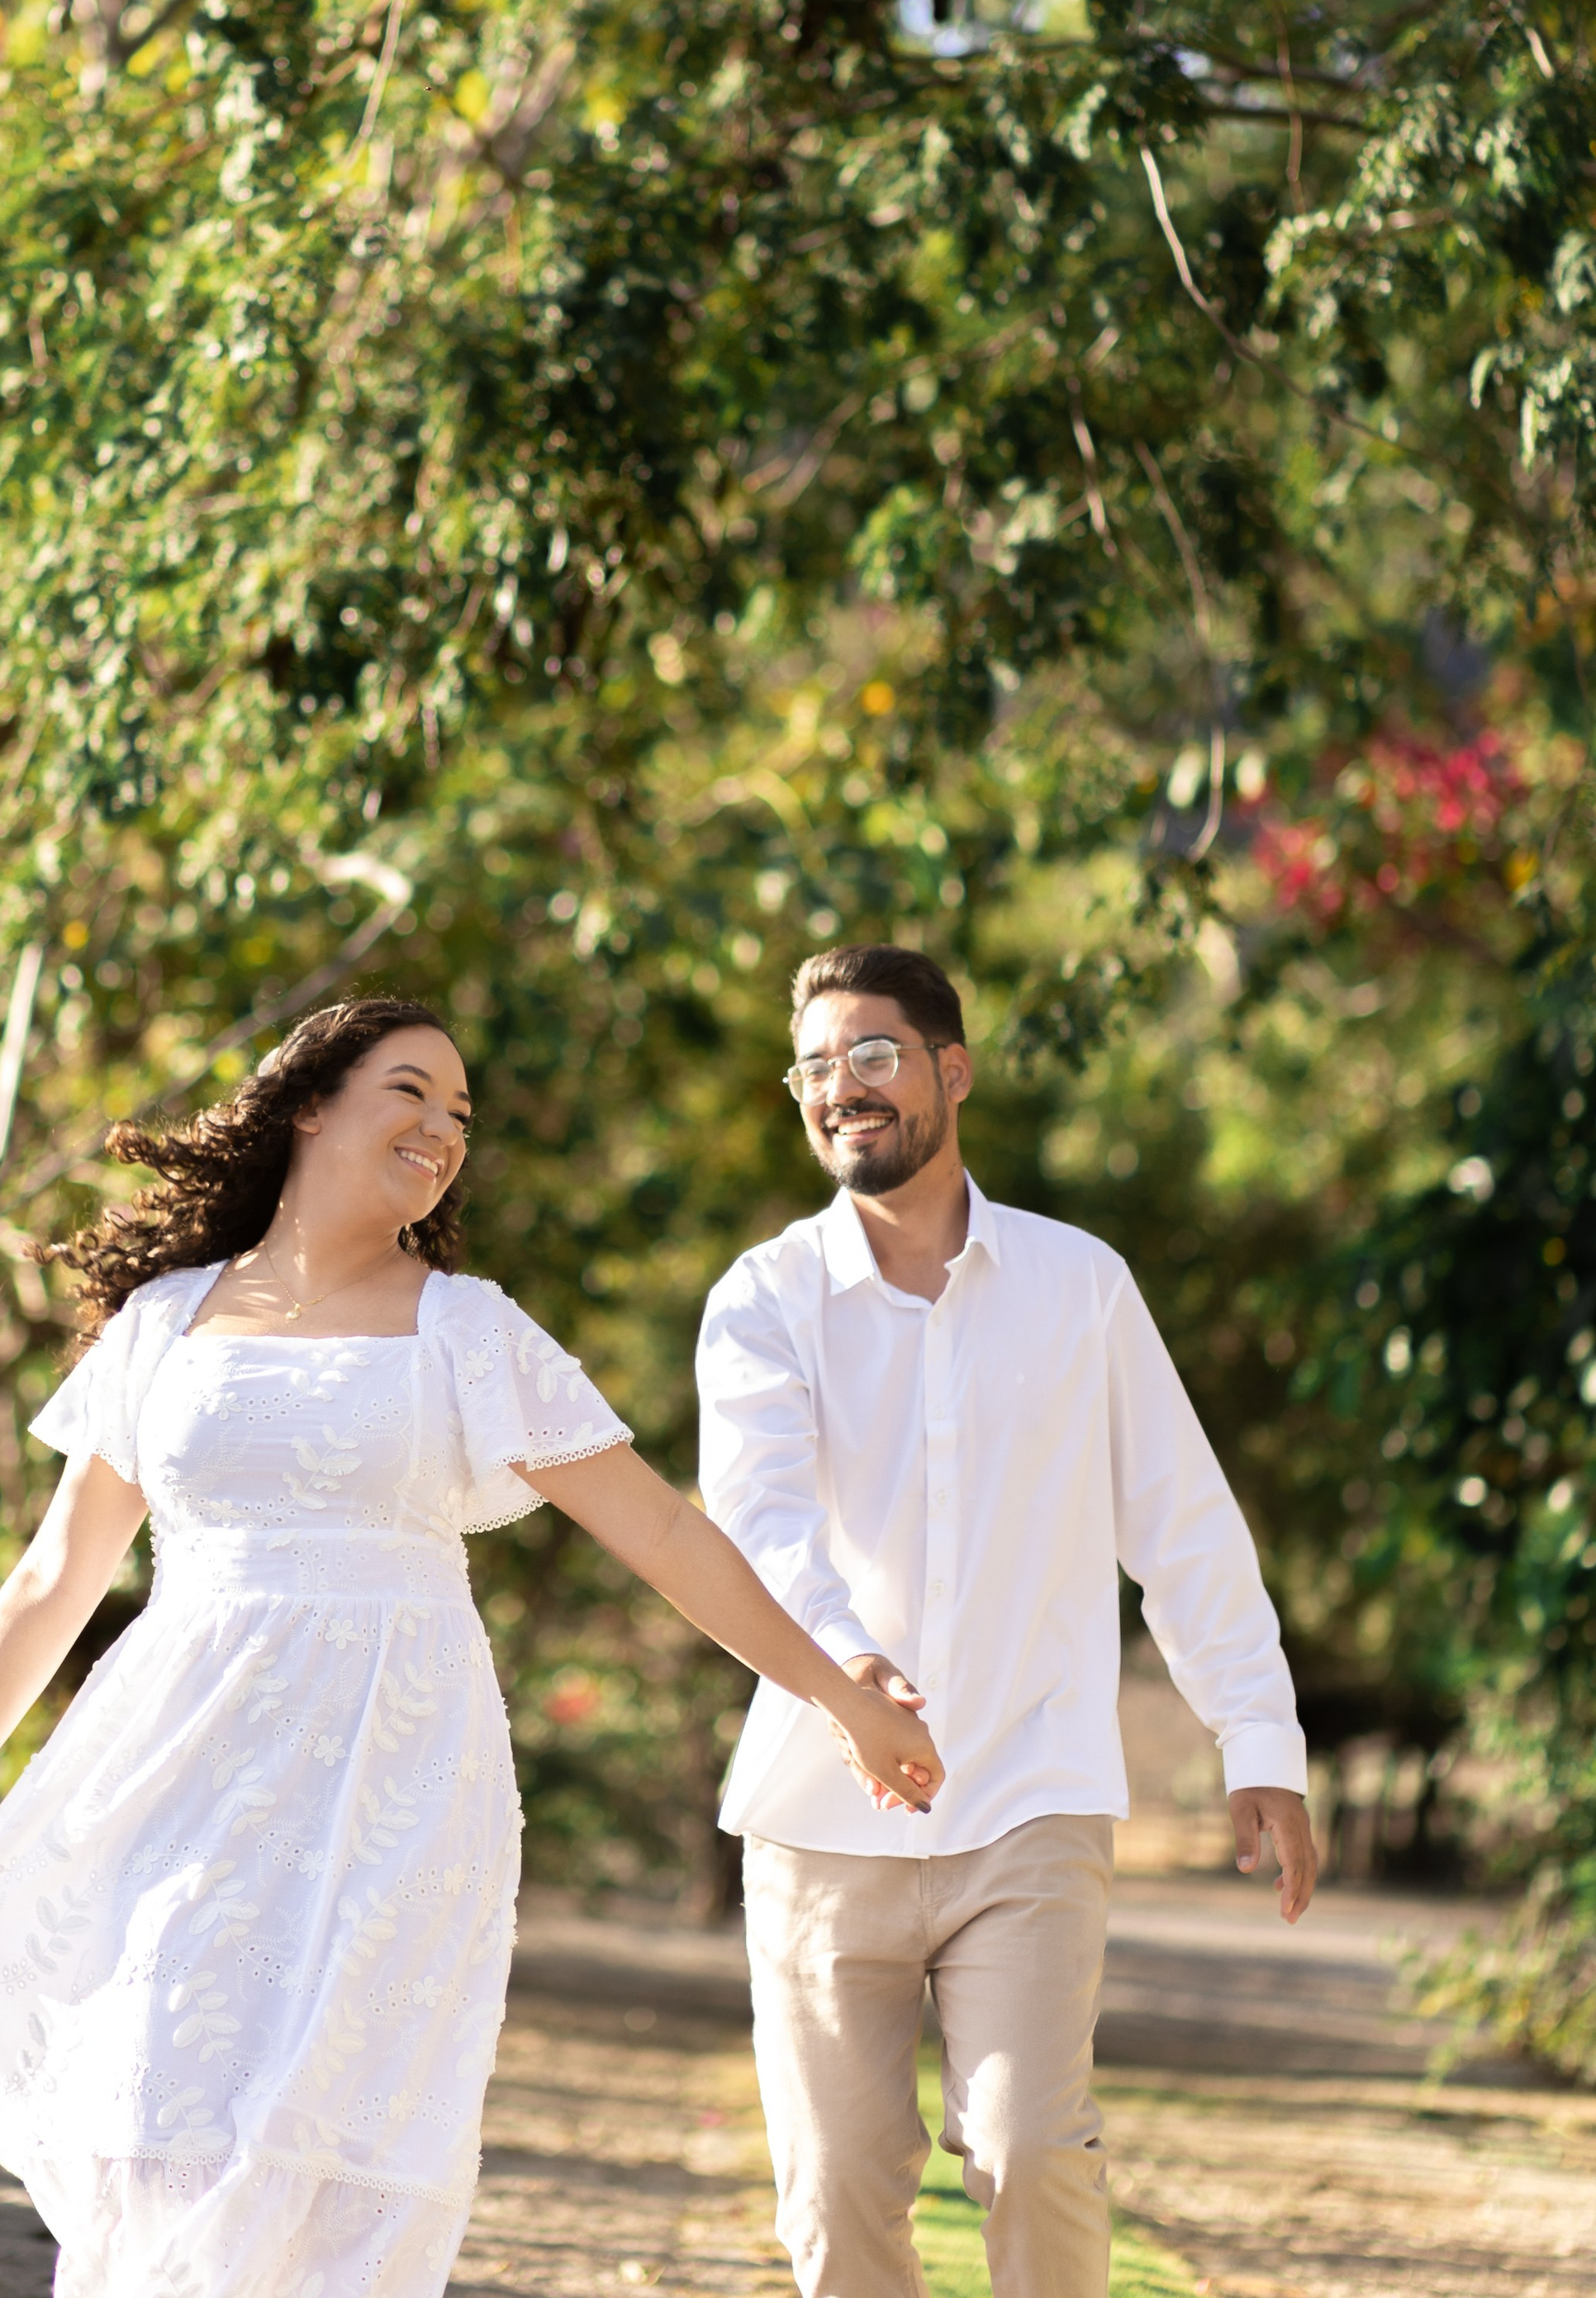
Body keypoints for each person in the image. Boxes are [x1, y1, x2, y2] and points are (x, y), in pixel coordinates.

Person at [0, 995, 944, 2298]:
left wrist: (838, 1694)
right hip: (177, 1768)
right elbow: (52, 1576)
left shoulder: (469, 1331)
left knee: (325, 2134)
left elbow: (663, 1529)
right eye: (410, 1093)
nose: (443, 1131)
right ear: (310, 1102)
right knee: (156, 2107)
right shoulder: (164, 1323)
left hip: (394, 1783)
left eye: (461, 1115)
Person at [696, 942, 1317, 2298]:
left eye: (873, 1056)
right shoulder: (761, 1299)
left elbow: (1181, 1519)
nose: (840, 1089)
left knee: (1033, 2150)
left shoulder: (1079, 1284)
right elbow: (759, 1520)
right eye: (814, 1067)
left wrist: (1257, 1737)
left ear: (949, 1071)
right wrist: (845, 1671)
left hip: (1032, 1795)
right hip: (819, 1815)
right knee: (841, 2198)